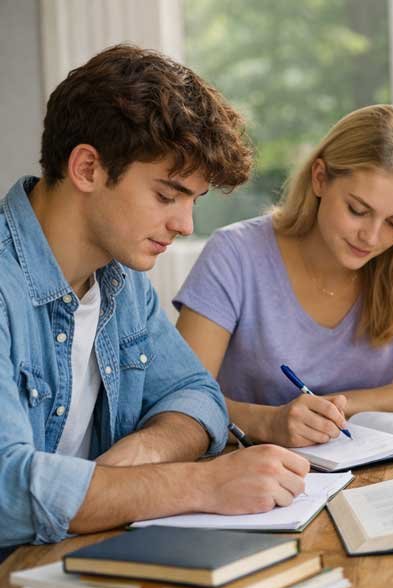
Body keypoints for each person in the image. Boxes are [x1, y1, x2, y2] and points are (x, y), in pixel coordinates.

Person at [0, 44, 311, 554]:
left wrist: (141, 454)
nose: (184, 225)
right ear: (86, 168)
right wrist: (203, 485)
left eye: (193, 201)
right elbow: (7, 493)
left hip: (77, 560)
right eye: (167, 196)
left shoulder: (120, 281)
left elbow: (198, 395)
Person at [174, 105, 393, 447]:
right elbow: (181, 398)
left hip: (360, 471)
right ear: (320, 178)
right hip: (246, 474)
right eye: (358, 210)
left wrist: (342, 406)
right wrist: (270, 423)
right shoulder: (234, 254)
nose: (371, 238)